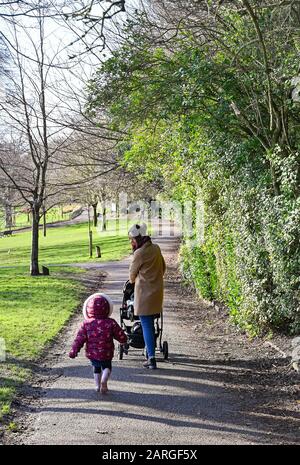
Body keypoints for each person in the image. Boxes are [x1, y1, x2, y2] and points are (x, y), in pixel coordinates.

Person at [69, 293, 127, 393]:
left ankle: (97, 385)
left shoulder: (86, 323)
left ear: (89, 309)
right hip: (107, 352)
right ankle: (104, 380)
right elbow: (119, 333)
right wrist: (123, 340)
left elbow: (79, 339)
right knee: (107, 367)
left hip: (93, 353)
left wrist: (74, 350)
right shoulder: (111, 322)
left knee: (96, 368)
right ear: (107, 309)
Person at [128, 223, 166, 369]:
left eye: (132, 239)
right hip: (157, 293)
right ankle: (149, 350)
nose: (131, 242)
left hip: (144, 295)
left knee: (146, 324)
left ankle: (151, 357)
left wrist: (138, 278)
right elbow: (163, 267)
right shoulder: (156, 249)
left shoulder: (139, 254)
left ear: (139, 239)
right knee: (151, 323)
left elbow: (131, 276)